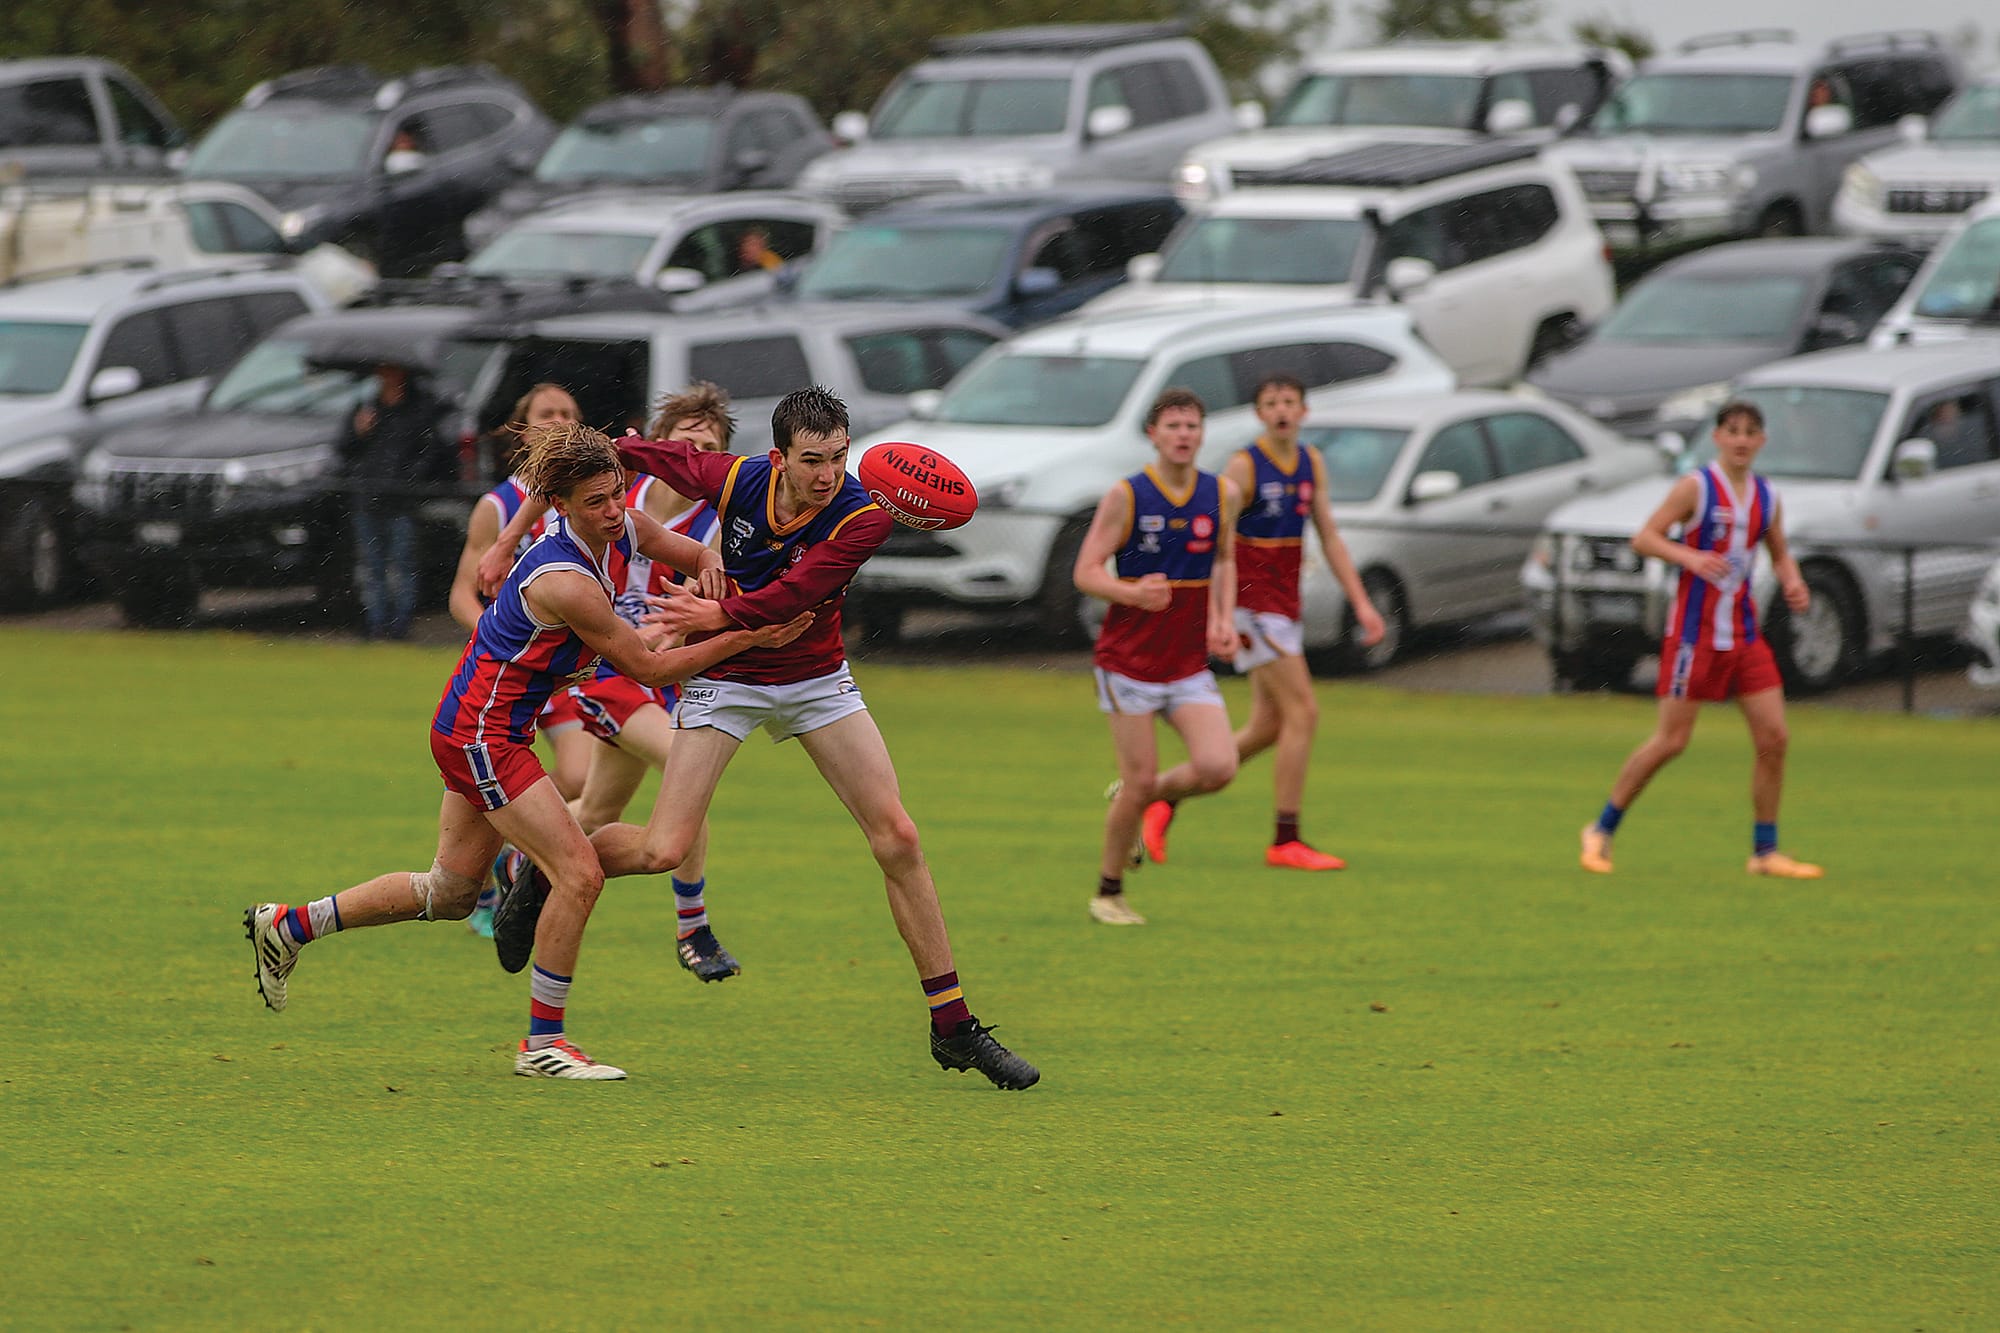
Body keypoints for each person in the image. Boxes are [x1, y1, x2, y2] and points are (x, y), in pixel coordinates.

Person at [487, 386, 1040, 1090]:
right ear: (778, 457)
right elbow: (658, 459)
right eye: (812, 461)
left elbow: (795, 596)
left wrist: (711, 612)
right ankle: (541, 872)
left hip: (816, 680)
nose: (827, 475)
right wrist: (575, 479)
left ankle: (953, 1025)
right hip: (728, 679)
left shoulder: (861, 518)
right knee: (664, 848)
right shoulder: (742, 478)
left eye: (839, 458)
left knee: (898, 836)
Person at [243, 422, 813, 1080]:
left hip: (478, 726)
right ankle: (543, 1042)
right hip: (484, 735)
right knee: (580, 873)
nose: (613, 510)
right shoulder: (566, 580)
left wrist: (718, 578)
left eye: (618, 493)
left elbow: (689, 550)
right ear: (561, 505)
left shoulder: (622, 527)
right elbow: (651, 671)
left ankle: (290, 925)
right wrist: (753, 637)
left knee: (450, 892)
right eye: (595, 501)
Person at [1139, 374, 1386, 874]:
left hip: (1283, 605)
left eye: (1289, 402)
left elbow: (1331, 538)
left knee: (1269, 726)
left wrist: (1362, 603)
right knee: (1304, 712)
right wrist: (1219, 614)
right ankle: (1285, 838)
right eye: (1271, 402)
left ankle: (1159, 794)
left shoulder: (1310, 462)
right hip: (1255, 607)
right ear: (1258, 413)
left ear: (1304, 411)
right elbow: (1212, 535)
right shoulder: (1244, 467)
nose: (1280, 410)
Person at [1580, 400, 1822, 880]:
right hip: (1695, 635)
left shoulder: (1766, 497)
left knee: (1774, 738)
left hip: (1745, 635)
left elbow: (1779, 553)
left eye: (1750, 432)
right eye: (1732, 430)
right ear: (1717, 437)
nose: (1740, 439)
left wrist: (1792, 581)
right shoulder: (1696, 487)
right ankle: (1601, 829)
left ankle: (1765, 852)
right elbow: (1645, 538)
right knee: (1672, 741)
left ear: (1761, 442)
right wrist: (1689, 558)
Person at [563, 383, 740, 982]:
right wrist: (508, 542)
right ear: (660, 445)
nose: (696, 457)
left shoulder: (717, 518)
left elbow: (711, 583)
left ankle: (518, 859)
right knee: (686, 766)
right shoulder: (616, 493)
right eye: (686, 444)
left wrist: (691, 611)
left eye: (709, 449)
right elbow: (550, 491)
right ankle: (693, 926)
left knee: (596, 810)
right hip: (603, 669)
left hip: (661, 676)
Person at [1074, 387, 1243, 926]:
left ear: (1202, 433)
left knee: (1219, 767)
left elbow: (1224, 562)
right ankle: (1108, 893)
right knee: (1142, 778)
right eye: (1172, 425)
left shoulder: (1223, 493)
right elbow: (1087, 571)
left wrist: (1222, 619)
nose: (1183, 435)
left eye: (1192, 426)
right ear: (1153, 433)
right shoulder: (1127, 495)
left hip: (1187, 663)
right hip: (1128, 663)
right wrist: (1131, 594)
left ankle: (1137, 795)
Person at [447, 384, 592, 937]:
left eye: (569, 414)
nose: (558, 421)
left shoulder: (586, 497)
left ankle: (509, 855)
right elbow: (462, 593)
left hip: (558, 672)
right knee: (486, 789)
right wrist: (500, 635)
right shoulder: (497, 507)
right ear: (523, 429)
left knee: (578, 774)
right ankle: (486, 876)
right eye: (547, 414)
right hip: (508, 672)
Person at [341, 361, 455, 641]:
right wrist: (359, 432)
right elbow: (345, 450)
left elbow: (430, 452)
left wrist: (410, 480)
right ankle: (376, 623)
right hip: (368, 497)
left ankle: (400, 624)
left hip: (402, 500)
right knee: (372, 566)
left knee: (403, 563)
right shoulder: (366, 408)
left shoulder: (418, 410)